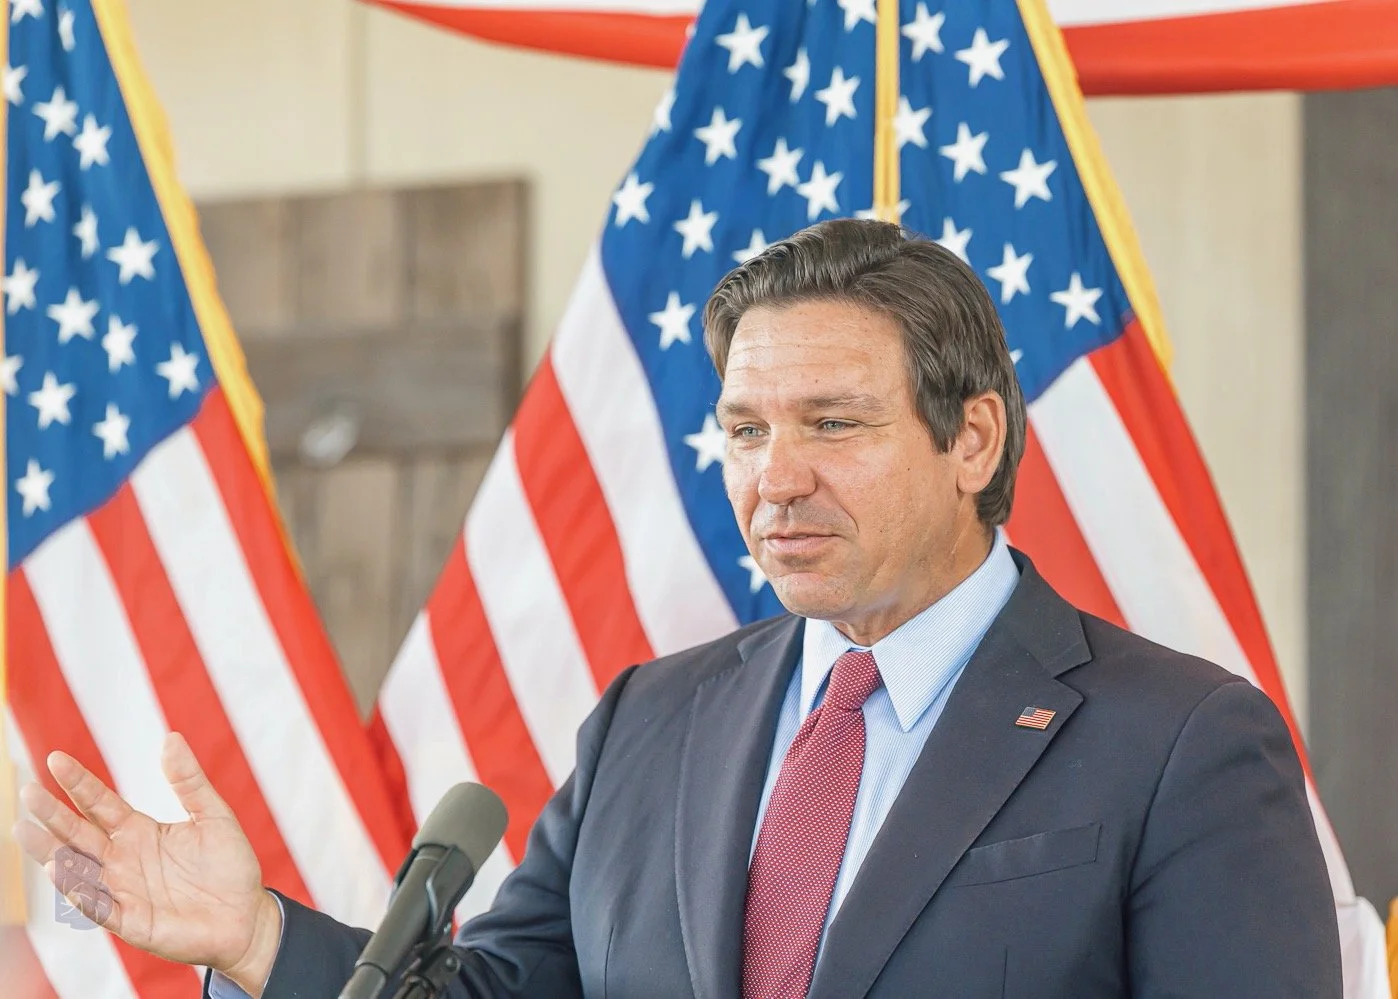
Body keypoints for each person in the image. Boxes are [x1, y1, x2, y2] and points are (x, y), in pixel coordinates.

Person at [15, 219, 1341, 998]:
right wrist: (248, 930)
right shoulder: (654, 720)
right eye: (744, 428)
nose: (776, 476)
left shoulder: (1180, 743)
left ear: (972, 436)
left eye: (833, 423)